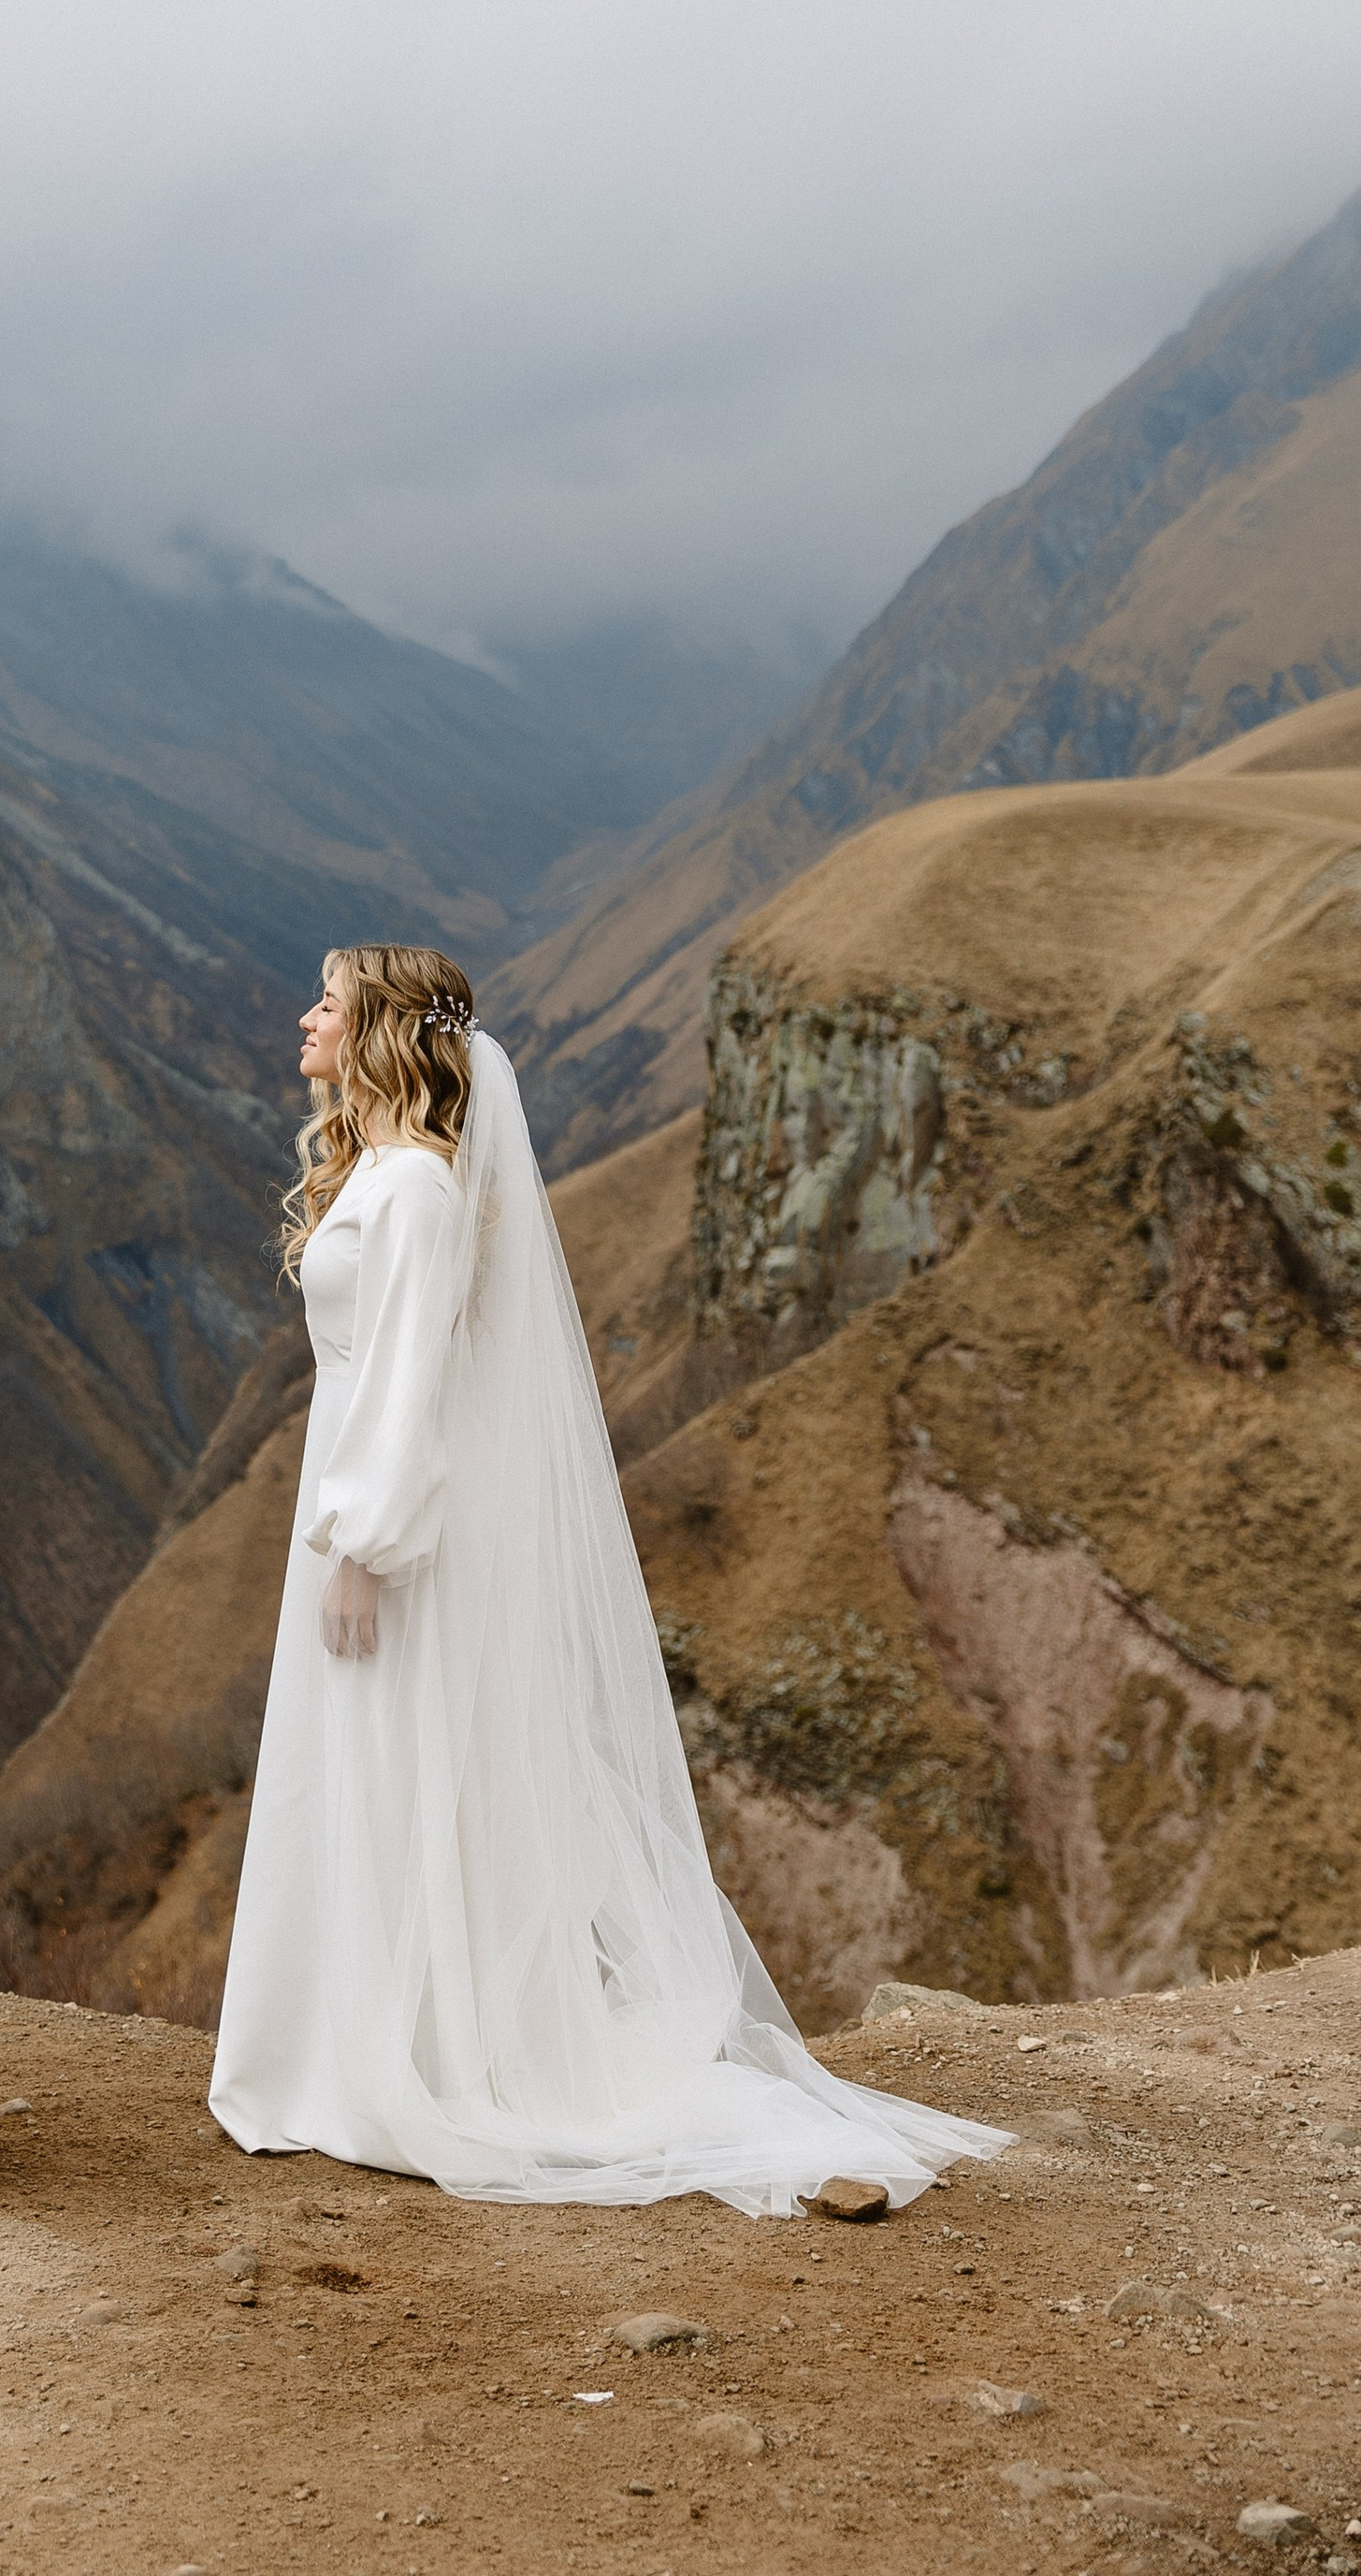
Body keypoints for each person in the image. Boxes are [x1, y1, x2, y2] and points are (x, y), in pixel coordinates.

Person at [208, 944, 1007, 2217]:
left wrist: (361, 1547)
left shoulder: (411, 1190)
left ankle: (406, 2057)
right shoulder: (394, 1175)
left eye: (330, 1003)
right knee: (375, 1765)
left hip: (388, 1527)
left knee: (395, 1762)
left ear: (383, 1037)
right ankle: (373, 2037)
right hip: (362, 1506)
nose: (305, 1018)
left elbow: (415, 1384)